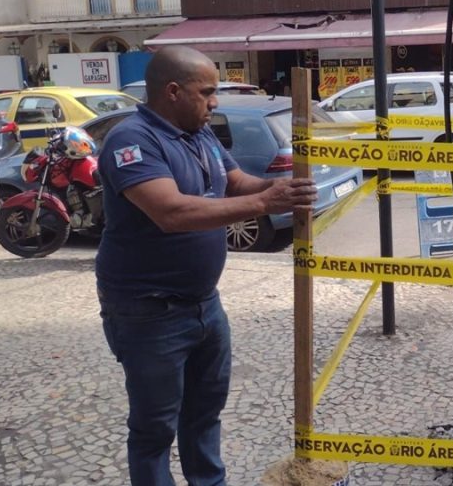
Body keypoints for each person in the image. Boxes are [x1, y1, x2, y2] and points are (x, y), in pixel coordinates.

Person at [95, 45, 317, 485]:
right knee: (155, 428)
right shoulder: (132, 140)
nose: (215, 101)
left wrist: (279, 188)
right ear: (173, 91)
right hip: (148, 311)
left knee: (204, 414)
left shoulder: (199, 132)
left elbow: (235, 182)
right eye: (207, 92)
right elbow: (171, 213)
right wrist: (262, 202)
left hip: (204, 305)